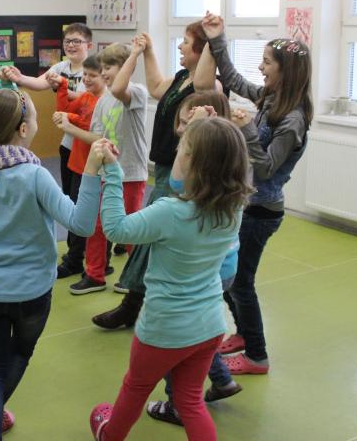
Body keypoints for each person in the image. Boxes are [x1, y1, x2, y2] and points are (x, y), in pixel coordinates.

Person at [88, 117, 254, 441]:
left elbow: (116, 229)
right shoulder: (233, 208)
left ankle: (110, 435)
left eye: (181, 150)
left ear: (191, 162)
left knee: (136, 386)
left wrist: (113, 174)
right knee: (190, 399)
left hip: (164, 328)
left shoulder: (170, 212)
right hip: (209, 325)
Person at [0, 89, 105, 440]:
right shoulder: (34, 175)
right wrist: (92, 171)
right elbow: (81, 224)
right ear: (23, 129)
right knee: (20, 353)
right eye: (35, 117)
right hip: (32, 292)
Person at [200, 13, 312, 376]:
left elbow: (267, 168)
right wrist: (217, 39)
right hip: (248, 205)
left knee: (241, 283)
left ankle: (257, 356)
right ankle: (243, 333)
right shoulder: (271, 97)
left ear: (286, 71)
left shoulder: (293, 119)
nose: (261, 68)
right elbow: (233, 80)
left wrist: (247, 128)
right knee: (232, 278)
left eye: (267, 63)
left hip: (262, 212)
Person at [92, 23, 217, 328]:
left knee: (152, 239)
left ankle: (132, 306)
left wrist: (215, 40)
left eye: (185, 42)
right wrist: (147, 51)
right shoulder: (182, 77)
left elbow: (204, 81)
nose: (180, 47)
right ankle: (134, 305)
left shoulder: (208, 86)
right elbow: (157, 87)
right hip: (162, 168)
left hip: (180, 172)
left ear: (201, 50)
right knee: (151, 241)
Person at [145, 92, 244, 427]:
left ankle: (177, 403)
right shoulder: (231, 170)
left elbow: (176, 182)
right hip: (223, 265)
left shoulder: (193, 181)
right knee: (200, 330)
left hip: (205, 268)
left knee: (181, 341)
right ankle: (222, 379)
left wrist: (191, 131)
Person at [63, 43, 148, 295]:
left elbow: (120, 87)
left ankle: (136, 277)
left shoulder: (137, 92)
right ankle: (94, 275)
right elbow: (96, 136)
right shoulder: (103, 100)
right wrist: (70, 129)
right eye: (103, 68)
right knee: (97, 227)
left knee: (130, 229)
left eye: (109, 67)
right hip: (105, 173)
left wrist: (135, 53)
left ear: (126, 68)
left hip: (130, 175)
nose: (104, 73)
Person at [1, 23, 92, 237]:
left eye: (76, 41)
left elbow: (95, 97)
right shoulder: (62, 67)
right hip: (68, 141)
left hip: (88, 141)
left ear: (89, 45)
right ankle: (75, 241)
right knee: (68, 195)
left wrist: (63, 88)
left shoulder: (93, 68)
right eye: (67, 41)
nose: (71, 45)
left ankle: (83, 246)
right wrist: (18, 78)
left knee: (84, 195)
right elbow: (38, 82)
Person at [48, 54, 106, 278]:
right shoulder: (86, 96)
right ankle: (76, 255)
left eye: (93, 75)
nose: (87, 79)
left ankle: (77, 261)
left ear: (105, 76)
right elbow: (66, 108)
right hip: (77, 162)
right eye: (85, 75)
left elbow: (91, 127)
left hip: (91, 167)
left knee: (86, 215)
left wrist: (69, 119)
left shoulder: (105, 102)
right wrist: (63, 86)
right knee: (74, 208)